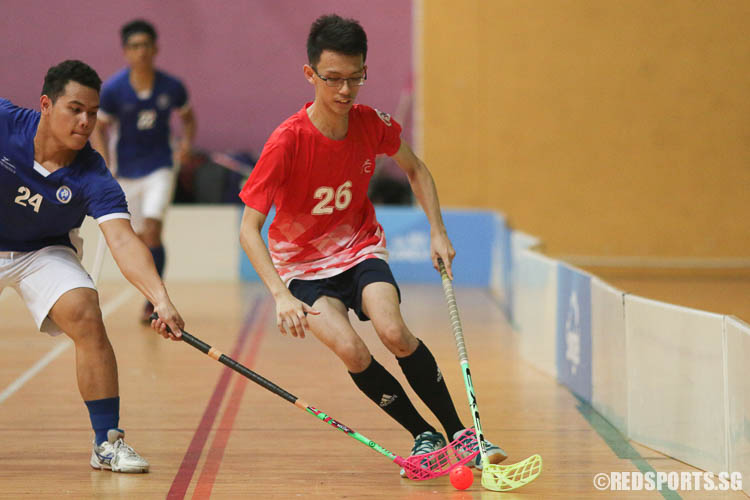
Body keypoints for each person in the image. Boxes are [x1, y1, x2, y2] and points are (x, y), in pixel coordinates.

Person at [238, 14, 507, 476]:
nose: (345, 91)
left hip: (359, 249)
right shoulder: (287, 142)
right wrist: (280, 295)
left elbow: (416, 169)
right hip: (302, 269)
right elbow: (249, 228)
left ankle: (463, 434)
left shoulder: (371, 124)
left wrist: (437, 230)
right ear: (311, 75)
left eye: (356, 77)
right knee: (352, 351)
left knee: (394, 332)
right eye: (334, 79)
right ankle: (423, 436)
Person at [0, 60, 184, 472]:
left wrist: (160, 299)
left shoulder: (93, 173)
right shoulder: (4, 123)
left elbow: (122, 238)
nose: (86, 122)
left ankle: (107, 443)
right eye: (75, 109)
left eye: (93, 112)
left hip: (41, 251)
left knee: (86, 313)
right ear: (46, 105)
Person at [91, 19, 196, 324]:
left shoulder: (172, 87)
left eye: (146, 45)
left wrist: (186, 144)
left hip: (159, 167)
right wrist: (104, 161)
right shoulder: (112, 89)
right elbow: (101, 126)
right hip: (125, 172)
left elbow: (188, 118)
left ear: (156, 48)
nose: (142, 52)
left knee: (152, 230)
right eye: (135, 46)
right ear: (126, 51)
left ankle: (154, 302)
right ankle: (152, 292)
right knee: (137, 239)